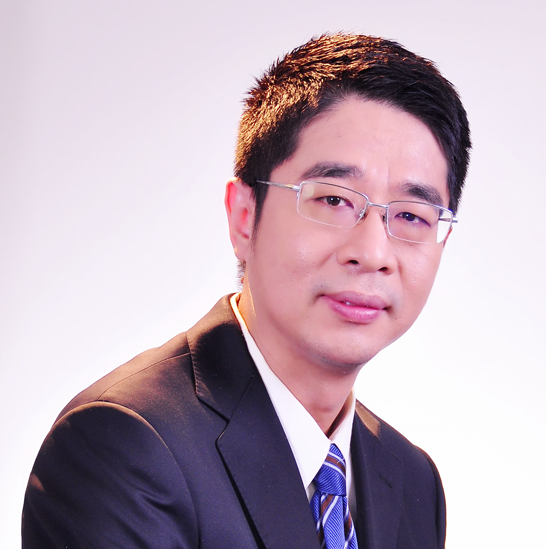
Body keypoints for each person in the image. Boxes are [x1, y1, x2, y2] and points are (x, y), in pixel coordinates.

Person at [22, 33, 471, 549]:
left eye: (412, 216)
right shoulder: (124, 443)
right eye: (332, 200)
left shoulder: (412, 481)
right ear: (243, 216)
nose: (372, 253)